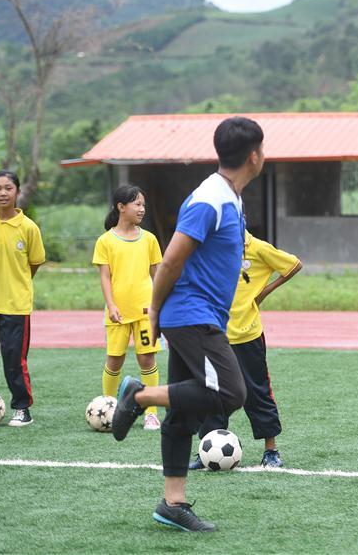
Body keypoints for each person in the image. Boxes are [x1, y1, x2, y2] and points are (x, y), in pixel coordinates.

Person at [110, 116, 265, 531]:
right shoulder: (209, 199)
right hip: (191, 315)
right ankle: (138, 396)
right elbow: (173, 258)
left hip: (200, 315)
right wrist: (156, 312)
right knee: (230, 391)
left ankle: (172, 504)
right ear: (255, 156)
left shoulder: (229, 196)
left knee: (181, 412)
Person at [188, 230, 302, 469]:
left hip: (247, 335)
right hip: (215, 334)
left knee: (256, 391)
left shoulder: (257, 248)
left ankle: (271, 451)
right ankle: (206, 450)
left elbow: (293, 265)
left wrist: (260, 295)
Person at [93, 185, 163, 430]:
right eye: (137, 204)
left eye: (143, 204)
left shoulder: (150, 239)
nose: (142, 209)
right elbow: (105, 277)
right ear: (121, 207)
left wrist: (160, 306)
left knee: (147, 358)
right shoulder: (105, 241)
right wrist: (111, 305)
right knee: (114, 360)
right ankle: (109, 408)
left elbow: (158, 274)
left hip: (145, 312)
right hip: (118, 312)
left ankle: (151, 413)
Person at [0, 170, 46, 427]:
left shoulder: (28, 228)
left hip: (15, 305)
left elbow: (34, 264)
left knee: (14, 360)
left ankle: (22, 409)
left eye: (8, 188)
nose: (3, 193)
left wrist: (17, 284)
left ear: (17, 192)